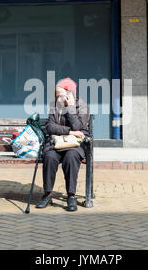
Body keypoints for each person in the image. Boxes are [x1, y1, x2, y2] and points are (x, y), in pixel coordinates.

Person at [36, 78, 89, 212]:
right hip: (56, 142)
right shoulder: (55, 105)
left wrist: (70, 108)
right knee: (49, 157)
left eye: (60, 95)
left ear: (70, 94)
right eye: (56, 95)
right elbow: (50, 127)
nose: (58, 97)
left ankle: (71, 196)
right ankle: (47, 194)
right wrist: (70, 131)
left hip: (74, 145)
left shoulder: (82, 106)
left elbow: (78, 125)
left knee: (71, 157)